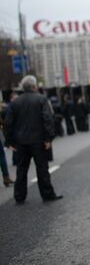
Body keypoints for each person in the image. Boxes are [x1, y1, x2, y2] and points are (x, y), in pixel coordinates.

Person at [4, 75, 63, 204]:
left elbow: (8, 123)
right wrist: (48, 139)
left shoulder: (15, 102)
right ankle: (47, 194)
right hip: (39, 141)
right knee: (42, 169)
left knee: (21, 170)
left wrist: (9, 142)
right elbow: (47, 119)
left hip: (21, 142)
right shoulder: (41, 99)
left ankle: (19, 196)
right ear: (34, 86)